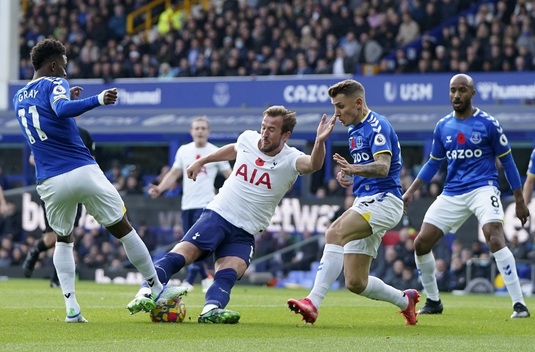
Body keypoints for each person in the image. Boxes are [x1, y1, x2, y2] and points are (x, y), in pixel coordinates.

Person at [13, 38, 184, 323]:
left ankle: (72, 309)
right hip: (80, 169)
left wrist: (70, 98)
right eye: (64, 67)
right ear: (54, 65)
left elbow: (51, 114)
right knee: (123, 228)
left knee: (63, 240)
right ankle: (157, 288)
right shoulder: (55, 83)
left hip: (49, 180)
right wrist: (97, 100)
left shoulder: (18, 96)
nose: (66, 73)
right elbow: (61, 109)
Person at [127, 105, 336, 323]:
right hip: (218, 214)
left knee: (230, 271)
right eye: (263, 127)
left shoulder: (291, 158)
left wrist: (320, 142)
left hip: (246, 230)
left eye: (272, 129)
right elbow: (234, 149)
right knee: (182, 254)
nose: (264, 133)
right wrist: (202, 160)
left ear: (286, 135)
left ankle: (210, 310)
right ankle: (144, 293)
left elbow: (313, 164)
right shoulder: (248, 138)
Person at [287, 79, 420, 326]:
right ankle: (406, 301)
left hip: (384, 200)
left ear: (358, 103)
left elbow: (383, 167)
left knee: (334, 232)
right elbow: (365, 167)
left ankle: (313, 302)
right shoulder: (354, 130)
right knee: (356, 283)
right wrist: (349, 173)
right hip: (366, 201)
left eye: (340, 106)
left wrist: (354, 167)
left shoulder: (377, 125)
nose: (337, 114)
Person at [403, 73, 530, 318]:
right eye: (453, 90)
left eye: (462, 90)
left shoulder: (489, 123)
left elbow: (509, 162)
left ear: (472, 93)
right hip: (453, 192)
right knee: (421, 243)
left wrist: (520, 200)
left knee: (493, 236)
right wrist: (410, 191)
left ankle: (519, 304)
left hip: (484, 187)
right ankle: (433, 300)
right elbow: (433, 164)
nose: (457, 95)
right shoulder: (443, 126)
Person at [148, 116, 232, 293]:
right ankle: (204, 278)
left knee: (196, 244)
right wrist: (160, 189)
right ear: (191, 131)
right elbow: (174, 173)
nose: (200, 131)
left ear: (208, 132)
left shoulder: (215, 151)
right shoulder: (184, 151)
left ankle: (191, 279)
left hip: (207, 205)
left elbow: (229, 175)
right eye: (197, 128)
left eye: (203, 128)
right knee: (188, 243)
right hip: (187, 204)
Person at [22, 126, 95, 288]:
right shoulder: (47, 129)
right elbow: (32, 159)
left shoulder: (83, 134)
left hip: (76, 188)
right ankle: (35, 252)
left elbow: (92, 160)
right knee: (50, 238)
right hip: (53, 188)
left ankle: (57, 279)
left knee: (68, 235)